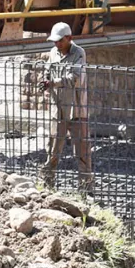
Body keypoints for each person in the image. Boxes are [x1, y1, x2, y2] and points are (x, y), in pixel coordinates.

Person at [40, 22, 93, 190]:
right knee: (53, 150)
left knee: (82, 152)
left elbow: (74, 78)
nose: (57, 44)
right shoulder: (53, 52)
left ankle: (85, 187)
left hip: (77, 110)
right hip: (58, 110)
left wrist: (52, 83)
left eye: (60, 41)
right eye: (55, 41)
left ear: (69, 38)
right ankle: (48, 184)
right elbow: (47, 70)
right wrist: (45, 79)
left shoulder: (79, 53)